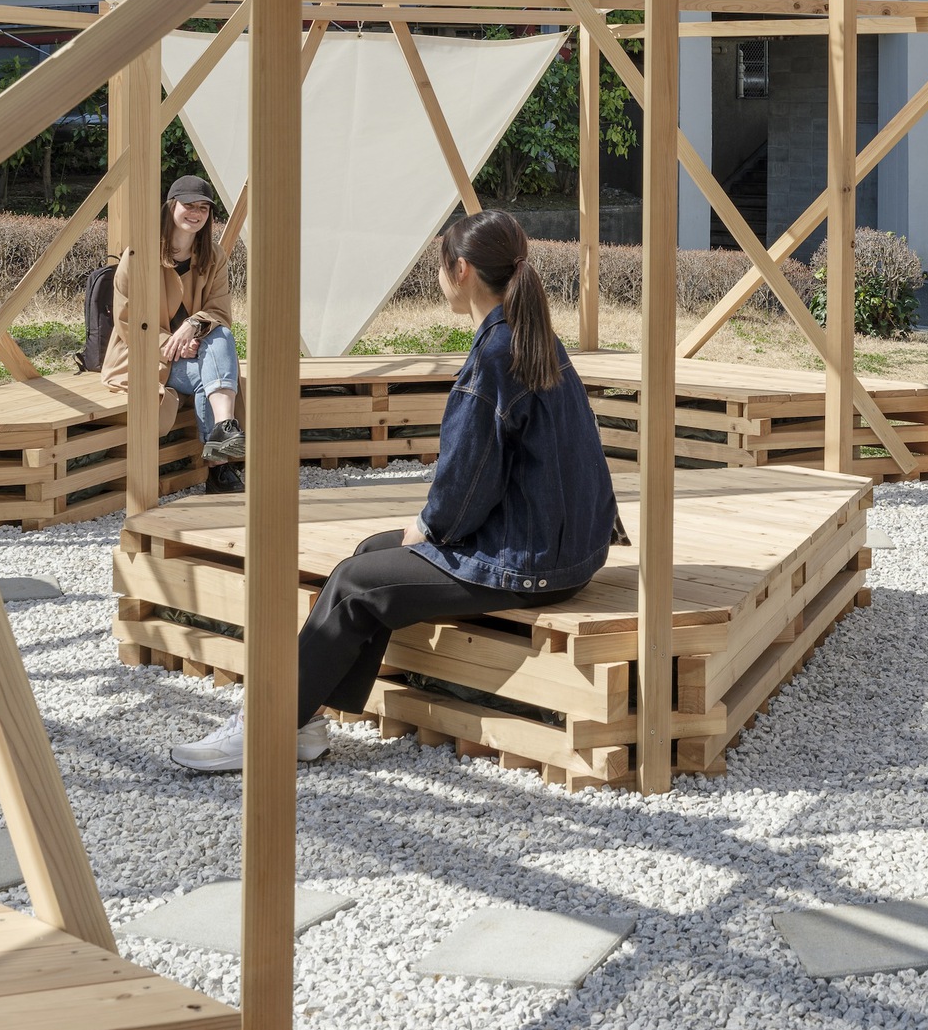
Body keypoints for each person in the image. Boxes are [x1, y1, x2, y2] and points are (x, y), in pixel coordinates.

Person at [172, 208, 617, 774]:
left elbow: (465, 486)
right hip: (566, 549)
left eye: (439, 266)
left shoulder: (493, 359)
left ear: (460, 270)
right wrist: (425, 529)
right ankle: (303, 719)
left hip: (527, 562)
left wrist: (428, 528)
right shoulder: (532, 337)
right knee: (367, 556)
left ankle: (267, 724)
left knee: (357, 586)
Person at [103, 173, 245, 487]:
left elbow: (219, 312)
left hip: (196, 350)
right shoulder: (139, 254)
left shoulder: (214, 256)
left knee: (220, 335)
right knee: (216, 377)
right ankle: (219, 468)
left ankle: (223, 429)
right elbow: (128, 320)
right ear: (171, 206)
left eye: (204, 208)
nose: (196, 213)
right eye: (189, 205)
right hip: (143, 355)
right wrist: (172, 342)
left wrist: (192, 327)